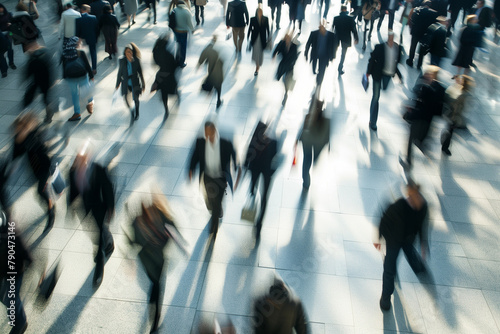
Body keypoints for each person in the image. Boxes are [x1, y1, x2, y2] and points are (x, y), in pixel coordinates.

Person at [130, 195, 184, 333]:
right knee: (156, 285)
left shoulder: (140, 220)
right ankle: (154, 307)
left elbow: (134, 241)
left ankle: (155, 319)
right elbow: (171, 223)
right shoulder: (147, 218)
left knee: (156, 285)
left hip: (151, 259)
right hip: (154, 259)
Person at [374, 180, 430, 311]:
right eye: (409, 196)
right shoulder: (399, 205)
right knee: (389, 268)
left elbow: (422, 224)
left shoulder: (423, 206)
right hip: (393, 238)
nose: (410, 199)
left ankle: (420, 270)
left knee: (410, 256)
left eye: (413, 196)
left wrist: (423, 242)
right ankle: (386, 297)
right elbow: (384, 218)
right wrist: (378, 237)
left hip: (408, 238)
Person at [68, 142, 115, 287]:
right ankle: (108, 241)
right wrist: (70, 206)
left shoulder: (98, 169)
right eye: (78, 158)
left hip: (99, 207)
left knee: (98, 235)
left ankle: (99, 264)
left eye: (82, 158)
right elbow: (73, 190)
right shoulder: (72, 171)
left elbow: (108, 189)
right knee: (93, 231)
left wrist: (111, 208)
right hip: (85, 207)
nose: (79, 161)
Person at [188, 121, 238, 239]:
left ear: (215, 131)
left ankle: (214, 227)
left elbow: (233, 153)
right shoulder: (200, 142)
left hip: (220, 178)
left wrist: (236, 166)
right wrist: (191, 169)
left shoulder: (225, 143)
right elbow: (195, 156)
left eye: (209, 133)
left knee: (216, 203)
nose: (207, 136)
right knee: (210, 200)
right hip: (207, 177)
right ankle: (217, 209)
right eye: (206, 133)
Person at [12, 113, 55, 232]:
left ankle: (51, 210)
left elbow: (43, 148)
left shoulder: (32, 134)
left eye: (20, 128)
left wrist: (30, 139)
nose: (18, 131)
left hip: (44, 165)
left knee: (40, 191)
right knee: (41, 189)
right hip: (34, 168)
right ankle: (49, 200)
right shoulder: (18, 139)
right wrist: (19, 141)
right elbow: (15, 155)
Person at [401, 65, 445, 167]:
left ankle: (410, 158)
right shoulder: (432, 87)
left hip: (423, 119)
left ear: (434, 76)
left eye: (429, 74)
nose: (427, 75)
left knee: (414, 138)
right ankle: (410, 158)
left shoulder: (430, 88)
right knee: (413, 138)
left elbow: (432, 106)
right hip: (423, 118)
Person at [243, 121, 279, 239]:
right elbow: (249, 152)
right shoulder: (258, 138)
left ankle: (259, 224)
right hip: (257, 170)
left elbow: (276, 158)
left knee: (264, 197)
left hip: (265, 172)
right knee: (253, 192)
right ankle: (252, 213)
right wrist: (245, 165)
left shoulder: (272, 141)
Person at [366, 30, 402, 131]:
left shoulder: (397, 48)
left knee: (384, 88)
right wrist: (368, 72)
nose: (391, 39)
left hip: (388, 74)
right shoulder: (379, 47)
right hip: (377, 74)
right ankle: (373, 121)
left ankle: (383, 86)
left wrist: (399, 75)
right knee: (376, 97)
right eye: (389, 37)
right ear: (387, 37)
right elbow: (372, 59)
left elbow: (396, 62)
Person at [0, 223, 32, 334]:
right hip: (3, 272)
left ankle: (20, 323)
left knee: (11, 298)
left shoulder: (9, 232)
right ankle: (19, 318)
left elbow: (24, 250)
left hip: (14, 272)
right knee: (5, 298)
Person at [296, 99, 330, 190]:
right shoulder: (325, 120)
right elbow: (327, 135)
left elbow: (302, 129)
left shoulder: (309, 116)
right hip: (318, 142)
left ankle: (306, 182)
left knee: (306, 160)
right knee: (313, 157)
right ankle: (315, 160)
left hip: (307, 141)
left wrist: (297, 139)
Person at [61, 36, 94, 121]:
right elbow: (87, 65)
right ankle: (90, 102)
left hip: (71, 77)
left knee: (74, 95)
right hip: (82, 75)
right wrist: (91, 76)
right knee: (87, 89)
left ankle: (77, 113)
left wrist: (65, 76)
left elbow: (64, 66)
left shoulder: (65, 53)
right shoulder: (80, 52)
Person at [23, 40, 56, 123]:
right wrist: (53, 80)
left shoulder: (32, 57)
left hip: (36, 81)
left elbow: (28, 71)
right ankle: (49, 114)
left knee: (29, 97)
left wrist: (25, 79)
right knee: (46, 98)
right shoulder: (46, 53)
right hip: (46, 80)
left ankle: (26, 114)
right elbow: (51, 67)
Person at [441, 75, 474, 155]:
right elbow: (457, 107)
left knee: (450, 130)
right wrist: (454, 118)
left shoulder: (458, 89)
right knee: (450, 130)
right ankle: (445, 147)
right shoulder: (463, 94)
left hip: (452, 114)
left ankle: (445, 145)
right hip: (454, 116)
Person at [151, 35, 180, 117]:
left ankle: (166, 109)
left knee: (164, 94)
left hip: (162, 76)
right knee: (174, 89)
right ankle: (177, 97)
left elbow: (155, 63)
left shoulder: (156, 52)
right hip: (170, 76)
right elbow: (175, 65)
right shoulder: (168, 54)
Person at [116, 43, 145, 121]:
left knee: (136, 99)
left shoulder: (136, 60)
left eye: (130, 51)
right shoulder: (122, 61)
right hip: (126, 82)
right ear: (125, 53)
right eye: (127, 52)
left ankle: (137, 112)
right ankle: (131, 110)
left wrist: (143, 84)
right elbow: (120, 73)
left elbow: (141, 73)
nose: (129, 53)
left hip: (135, 82)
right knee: (125, 98)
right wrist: (117, 83)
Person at [406, 0, 437, 67]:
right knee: (422, 49)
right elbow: (433, 24)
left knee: (413, 46)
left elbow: (412, 19)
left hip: (416, 31)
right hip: (425, 33)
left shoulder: (417, 10)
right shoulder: (433, 13)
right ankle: (419, 64)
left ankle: (410, 60)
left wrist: (411, 27)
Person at [272, 31, 299, 106]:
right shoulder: (282, 43)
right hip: (283, 64)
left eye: (288, 39)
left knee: (287, 79)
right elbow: (276, 49)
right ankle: (287, 88)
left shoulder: (294, 46)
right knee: (284, 79)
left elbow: (295, 56)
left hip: (290, 65)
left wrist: (293, 62)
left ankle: (286, 93)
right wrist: (273, 55)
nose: (287, 40)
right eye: (286, 38)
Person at [198, 36, 224, 109]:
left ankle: (212, 90)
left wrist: (200, 63)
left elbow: (202, 56)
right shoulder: (219, 48)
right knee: (218, 84)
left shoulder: (208, 48)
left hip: (211, 69)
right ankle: (218, 100)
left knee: (212, 80)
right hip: (219, 70)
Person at [333, 5, 358, 75]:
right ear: (346, 10)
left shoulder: (336, 18)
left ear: (341, 10)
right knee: (343, 54)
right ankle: (340, 67)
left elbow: (333, 29)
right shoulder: (350, 19)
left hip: (337, 37)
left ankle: (333, 56)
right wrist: (356, 38)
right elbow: (354, 29)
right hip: (346, 38)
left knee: (336, 48)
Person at [76, 4, 99, 73]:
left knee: (82, 54)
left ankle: (83, 67)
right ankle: (94, 68)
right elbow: (97, 29)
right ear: (87, 10)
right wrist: (96, 37)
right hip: (92, 38)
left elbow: (77, 32)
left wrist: (78, 41)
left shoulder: (78, 19)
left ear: (81, 10)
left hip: (82, 39)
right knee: (93, 52)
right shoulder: (93, 17)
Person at [247, 7, 270, 76]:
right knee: (255, 51)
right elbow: (250, 28)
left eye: (261, 12)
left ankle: (257, 67)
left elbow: (267, 28)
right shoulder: (253, 19)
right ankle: (257, 63)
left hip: (262, 39)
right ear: (256, 12)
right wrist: (248, 36)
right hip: (255, 38)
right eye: (259, 12)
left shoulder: (265, 19)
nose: (260, 13)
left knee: (260, 52)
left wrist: (268, 36)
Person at [173, 0, 194, 68]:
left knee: (178, 45)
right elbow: (190, 23)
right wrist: (192, 30)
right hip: (184, 32)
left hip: (176, 31)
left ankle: (177, 59)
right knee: (183, 47)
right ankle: (182, 62)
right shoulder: (186, 11)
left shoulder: (174, 10)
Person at [0, 3, 17, 72]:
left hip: (9, 32)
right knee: (2, 51)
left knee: (10, 48)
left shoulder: (8, 14)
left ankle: (11, 63)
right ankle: (4, 67)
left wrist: (10, 23)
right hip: (1, 35)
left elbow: (13, 21)